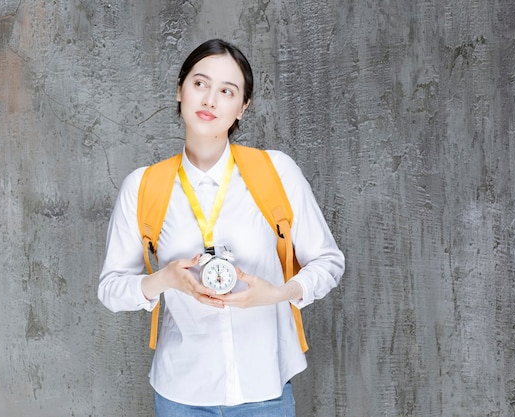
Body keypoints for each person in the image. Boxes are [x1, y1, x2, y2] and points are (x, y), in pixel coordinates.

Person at [98, 39, 345, 416]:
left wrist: (278, 293)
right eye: (200, 84)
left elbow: (328, 261)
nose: (210, 100)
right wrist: (164, 280)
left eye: (227, 91)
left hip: (265, 391)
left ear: (242, 107)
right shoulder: (143, 186)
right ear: (180, 89)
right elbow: (111, 288)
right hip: (181, 394)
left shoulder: (276, 172)